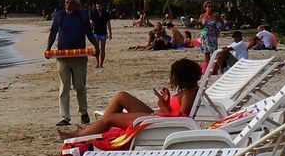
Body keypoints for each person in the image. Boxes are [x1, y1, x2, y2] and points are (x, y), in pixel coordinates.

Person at [66, 58, 204, 138]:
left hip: (160, 123)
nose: (172, 78)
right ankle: (91, 130)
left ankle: (81, 136)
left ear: (182, 76)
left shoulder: (189, 94)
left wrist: (162, 104)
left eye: (174, 76)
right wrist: (166, 102)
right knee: (122, 96)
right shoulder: (188, 90)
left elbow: (182, 119)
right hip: (158, 117)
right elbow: (175, 112)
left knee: (110, 119)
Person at [45, 0, 98, 127]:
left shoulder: (83, 16)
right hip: (63, 58)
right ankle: (65, 117)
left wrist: (97, 48)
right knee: (64, 87)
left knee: (80, 86)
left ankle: (83, 112)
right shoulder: (59, 15)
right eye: (66, 3)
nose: (67, 5)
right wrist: (48, 48)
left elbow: (89, 33)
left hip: (79, 58)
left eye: (70, 3)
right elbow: (53, 32)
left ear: (77, 4)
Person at [88, 1, 111, 70]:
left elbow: (108, 24)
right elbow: (92, 24)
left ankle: (101, 64)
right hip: (96, 33)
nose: (98, 8)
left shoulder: (106, 14)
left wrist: (110, 33)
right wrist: (90, 32)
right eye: (97, 6)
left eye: (99, 6)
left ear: (102, 6)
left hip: (104, 33)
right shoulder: (93, 13)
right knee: (97, 49)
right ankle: (97, 63)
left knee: (103, 49)